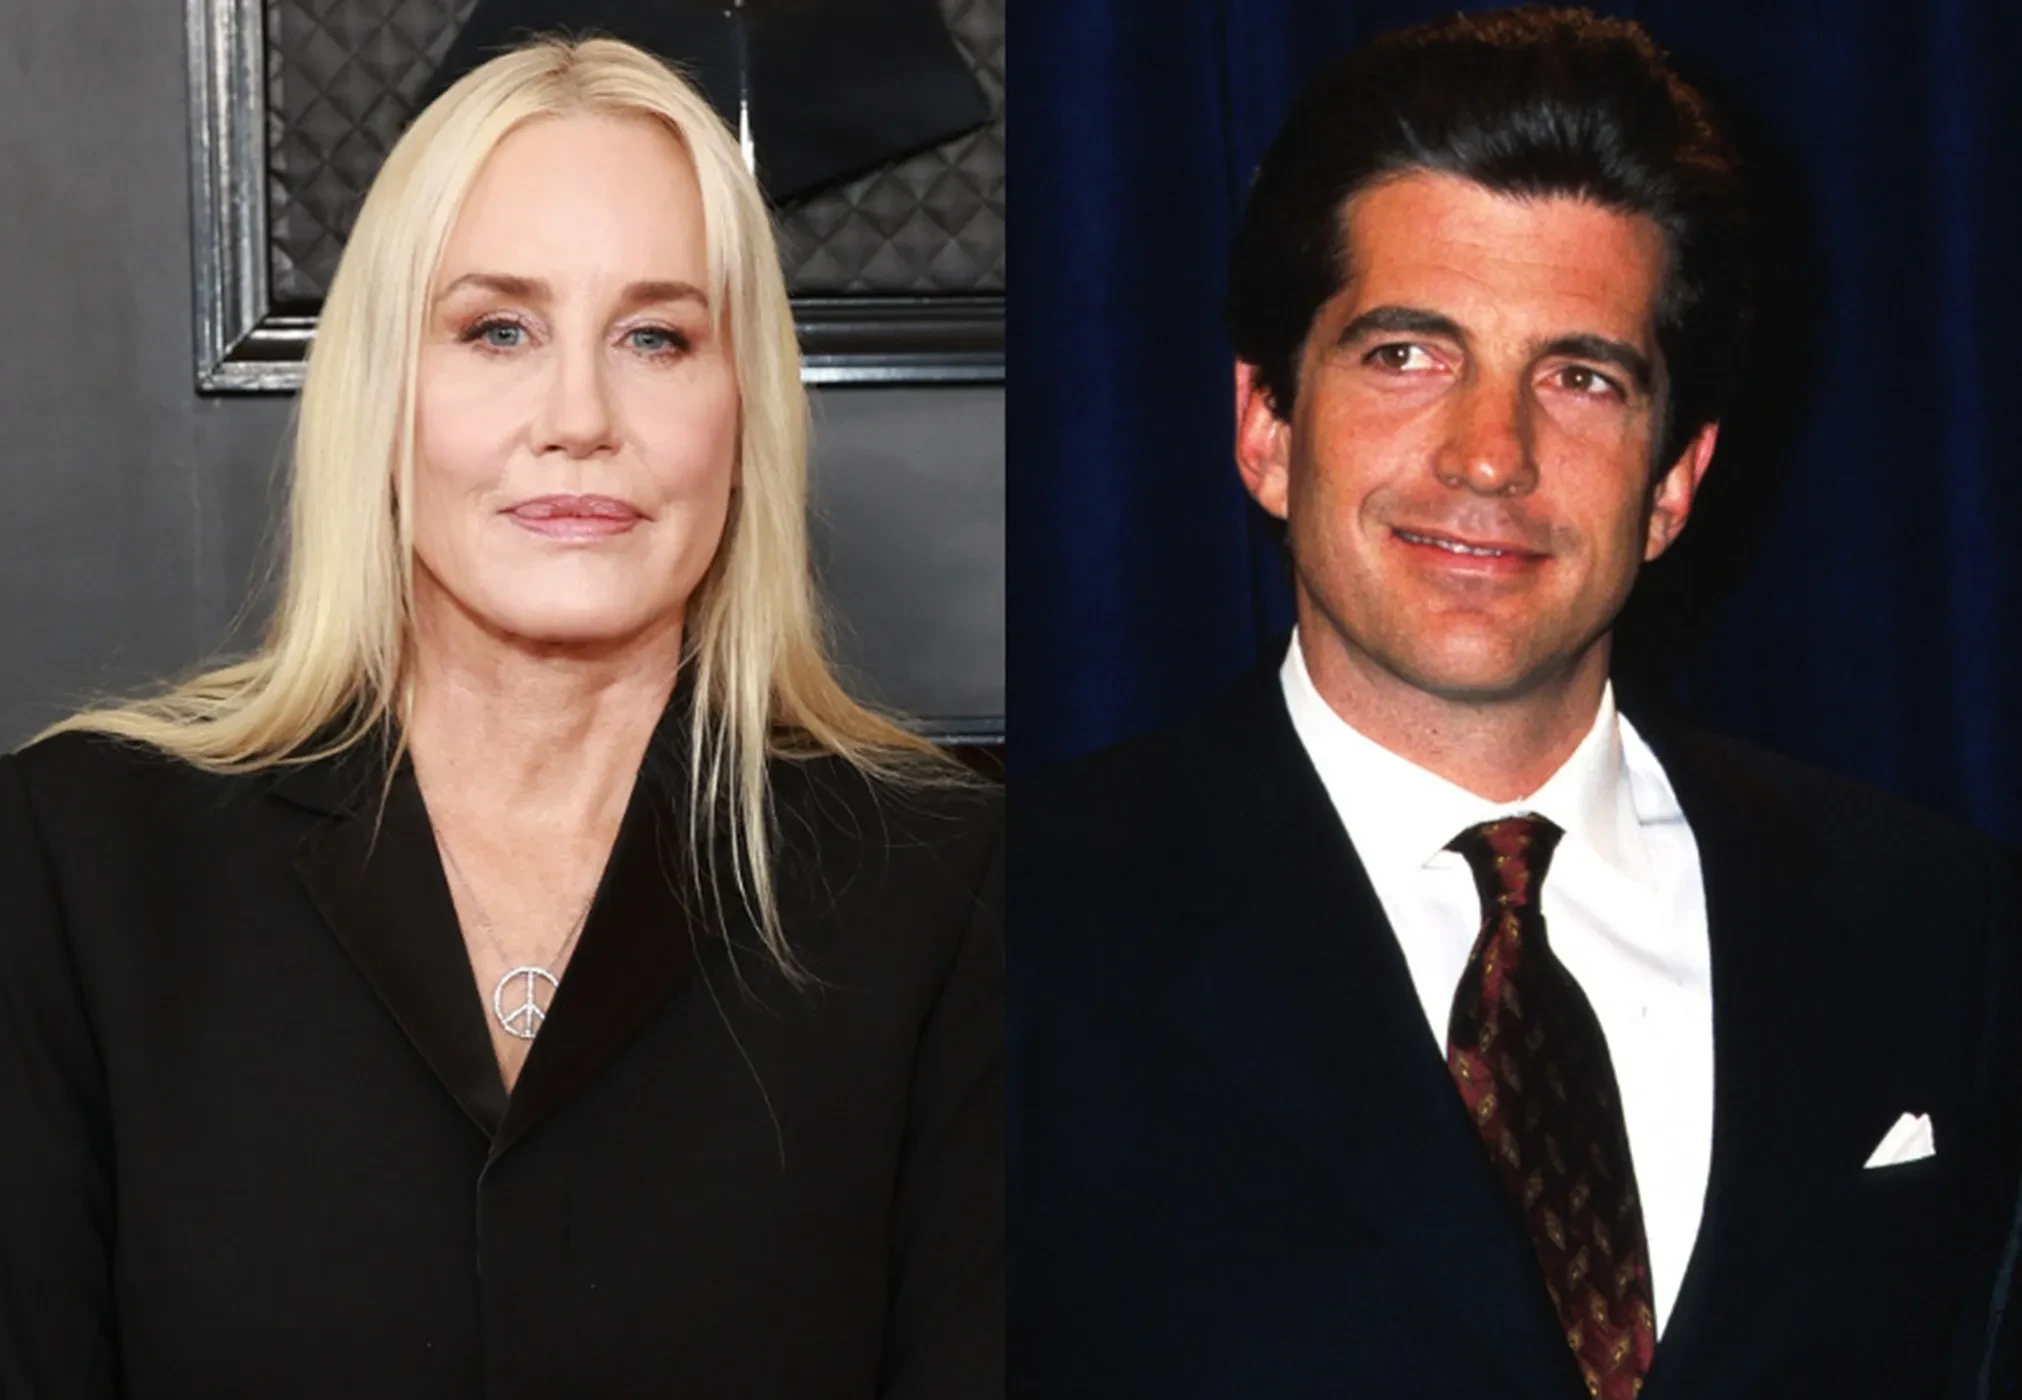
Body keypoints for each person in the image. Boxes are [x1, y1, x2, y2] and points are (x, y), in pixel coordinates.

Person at [1009, 8, 2019, 1397]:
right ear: (1266, 428)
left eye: (1580, 377)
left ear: (1671, 483)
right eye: (1406, 356)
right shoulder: (1020, 931)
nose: (1491, 455)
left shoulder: (1939, 928)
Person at [0, 37, 1001, 1397]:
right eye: (498, 330)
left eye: (655, 337)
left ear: (742, 415)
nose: (579, 417)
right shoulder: (82, 862)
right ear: (383, 394)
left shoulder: (947, 888)